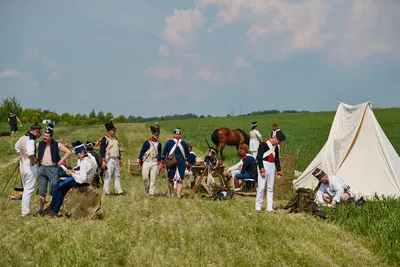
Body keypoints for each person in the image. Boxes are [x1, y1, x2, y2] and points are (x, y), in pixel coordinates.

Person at [47, 141, 96, 216]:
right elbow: (86, 172)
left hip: (81, 184)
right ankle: (53, 208)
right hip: (87, 182)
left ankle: (54, 209)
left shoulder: (83, 162)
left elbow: (82, 179)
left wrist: (72, 174)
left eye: (77, 154)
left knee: (60, 187)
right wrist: (76, 172)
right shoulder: (90, 160)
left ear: (81, 152)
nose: (77, 156)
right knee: (60, 185)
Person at [36, 126, 72, 215]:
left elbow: (68, 152)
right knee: (41, 189)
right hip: (41, 168)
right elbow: (30, 151)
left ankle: (52, 207)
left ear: (51, 137)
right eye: (44, 135)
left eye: (47, 136)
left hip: (53, 168)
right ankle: (41, 209)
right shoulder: (38, 144)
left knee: (53, 188)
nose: (44, 137)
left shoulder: (57, 144)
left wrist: (61, 161)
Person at [14, 123, 42, 217]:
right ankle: (25, 212)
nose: (39, 135)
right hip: (29, 165)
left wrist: (22, 154)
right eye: (39, 133)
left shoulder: (22, 137)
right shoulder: (30, 140)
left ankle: (24, 210)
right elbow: (30, 153)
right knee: (28, 189)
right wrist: (34, 161)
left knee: (26, 187)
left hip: (22, 163)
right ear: (36, 131)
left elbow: (16, 147)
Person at [255, 130, 286, 212]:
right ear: (275, 137)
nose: (279, 142)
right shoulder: (264, 144)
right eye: (278, 140)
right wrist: (261, 168)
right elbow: (259, 157)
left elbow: (277, 160)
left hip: (272, 167)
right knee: (261, 187)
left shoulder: (276, 147)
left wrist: (279, 171)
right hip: (264, 165)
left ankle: (269, 207)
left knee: (270, 188)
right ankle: (258, 207)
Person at [161, 128, 191, 198]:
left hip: (171, 163)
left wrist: (162, 161)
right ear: (180, 135)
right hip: (181, 163)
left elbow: (164, 153)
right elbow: (188, 155)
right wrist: (190, 164)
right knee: (180, 180)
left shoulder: (169, 142)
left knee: (170, 179)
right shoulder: (184, 144)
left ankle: (172, 193)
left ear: (173, 135)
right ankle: (178, 194)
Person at [137, 126, 162, 196]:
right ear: (153, 134)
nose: (157, 136)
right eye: (156, 134)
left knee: (153, 178)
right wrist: (139, 161)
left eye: (158, 134)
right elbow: (142, 152)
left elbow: (159, 154)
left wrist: (160, 162)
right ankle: (147, 190)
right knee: (145, 178)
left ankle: (151, 193)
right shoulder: (147, 143)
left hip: (154, 162)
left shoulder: (159, 144)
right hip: (146, 161)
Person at [100, 121, 123, 195]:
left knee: (117, 175)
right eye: (113, 130)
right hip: (109, 159)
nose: (114, 131)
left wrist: (120, 159)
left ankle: (118, 190)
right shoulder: (105, 139)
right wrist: (103, 161)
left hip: (116, 159)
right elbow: (102, 150)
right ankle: (106, 191)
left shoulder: (115, 138)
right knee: (108, 175)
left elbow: (118, 149)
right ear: (109, 131)